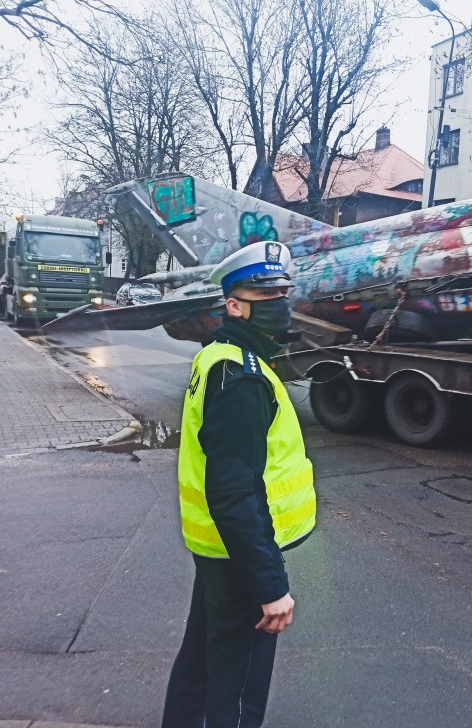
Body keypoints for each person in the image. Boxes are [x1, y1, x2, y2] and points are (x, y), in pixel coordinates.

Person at [162, 240, 316, 728]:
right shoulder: (242, 377)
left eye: (283, 292)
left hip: (219, 552)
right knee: (239, 689)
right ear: (234, 305)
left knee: (203, 664)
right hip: (239, 558)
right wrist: (269, 586)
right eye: (264, 294)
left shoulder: (222, 357)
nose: (279, 303)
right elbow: (234, 491)